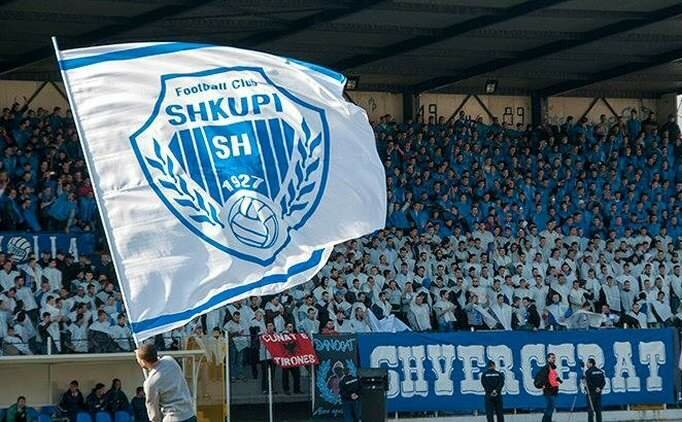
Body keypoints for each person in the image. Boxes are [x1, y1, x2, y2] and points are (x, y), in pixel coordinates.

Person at [135, 343, 196, 422]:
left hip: (173, 418)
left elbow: (153, 413)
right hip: (189, 415)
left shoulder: (150, 383)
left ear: (143, 361)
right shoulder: (170, 360)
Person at [535, 353, 561, 422]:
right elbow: (541, 378)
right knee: (550, 407)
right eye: (552, 358)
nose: (554, 359)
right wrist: (542, 385)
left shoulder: (552, 368)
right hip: (548, 391)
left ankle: (548, 420)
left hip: (552, 391)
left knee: (551, 407)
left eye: (554, 358)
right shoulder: (546, 368)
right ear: (548, 359)